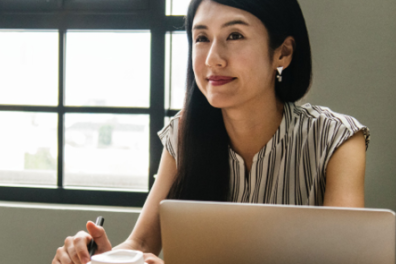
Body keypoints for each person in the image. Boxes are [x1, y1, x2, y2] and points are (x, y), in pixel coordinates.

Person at [52, 0, 370, 263]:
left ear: (283, 53)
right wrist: (99, 260)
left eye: (234, 36)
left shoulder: (336, 138)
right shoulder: (182, 133)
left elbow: (343, 258)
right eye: (201, 38)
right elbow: (143, 242)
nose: (212, 59)